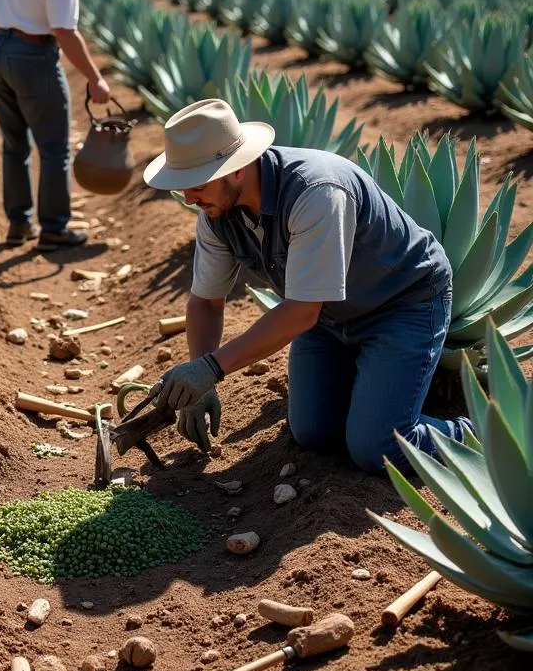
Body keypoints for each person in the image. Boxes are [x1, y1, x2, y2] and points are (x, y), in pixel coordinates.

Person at [142, 98, 471, 474]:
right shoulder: (216, 212)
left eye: (196, 184)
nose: (188, 198)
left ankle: (483, 434)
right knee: (314, 433)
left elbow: (301, 312)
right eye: (182, 186)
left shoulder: (315, 192)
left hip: (401, 305)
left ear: (235, 170)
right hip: (330, 320)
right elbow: (205, 302)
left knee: (377, 449)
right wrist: (201, 379)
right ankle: (377, 406)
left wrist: (212, 368)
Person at [0, 0, 112, 252]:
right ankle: (54, 229)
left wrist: (1, 55)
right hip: (33, 57)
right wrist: (95, 78)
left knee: (14, 145)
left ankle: (18, 223)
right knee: (55, 149)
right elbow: (64, 32)